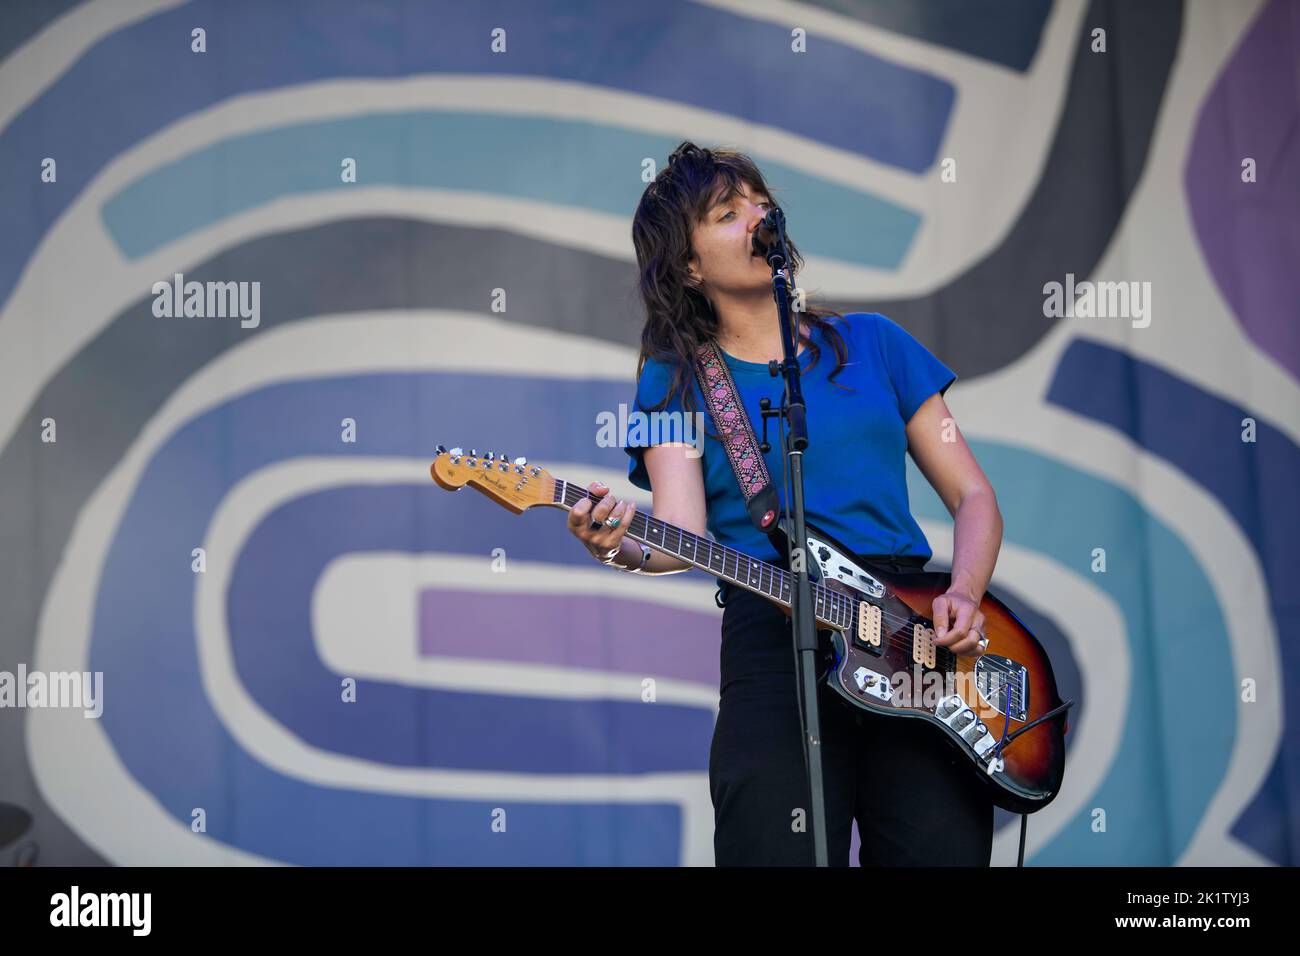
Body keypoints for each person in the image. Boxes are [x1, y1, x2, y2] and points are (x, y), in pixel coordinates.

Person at [566, 142, 1004, 866]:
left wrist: (964, 590)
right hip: (771, 633)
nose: (758, 217)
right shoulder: (673, 379)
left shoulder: (875, 344)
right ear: (689, 266)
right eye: (727, 213)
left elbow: (975, 494)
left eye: (759, 202)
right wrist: (615, 545)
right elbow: (677, 535)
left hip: (912, 632)